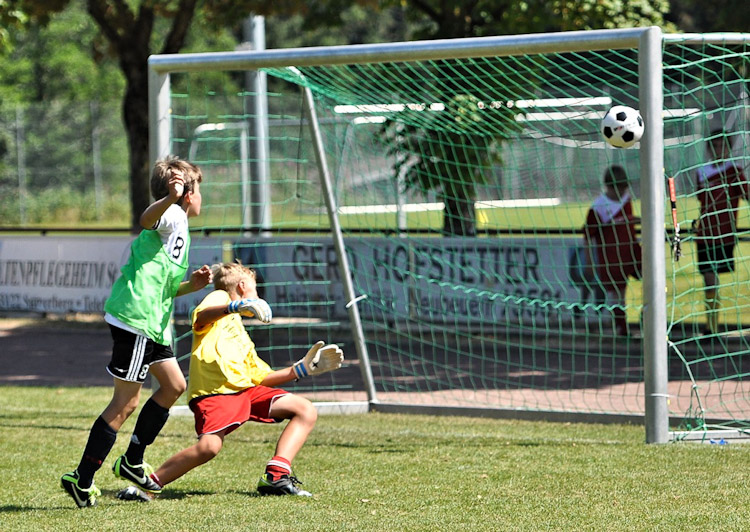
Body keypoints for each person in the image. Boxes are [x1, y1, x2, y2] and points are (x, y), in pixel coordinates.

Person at [117, 261, 343, 500]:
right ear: (243, 287)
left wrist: (303, 369)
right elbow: (201, 318)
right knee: (209, 448)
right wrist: (235, 305)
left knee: (305, 410)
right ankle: (148, 487)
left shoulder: (241, 332)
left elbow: (261, 378)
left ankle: (276, 476)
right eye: (256, 290)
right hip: (215, 394)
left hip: (245, 392)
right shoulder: (220, 297)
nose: (258, 296)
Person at [61, 156, 213, 508]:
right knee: (125, 402)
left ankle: (131, 460)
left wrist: (192, 284)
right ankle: (81, 480)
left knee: (174, 385)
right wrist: (172, 197)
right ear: (187, 194)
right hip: (137, 319)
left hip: (153, 323)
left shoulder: (179, 227)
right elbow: (145, 219)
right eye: (199, 190)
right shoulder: (172, 214)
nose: (201, 197)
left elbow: (166, 286)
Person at [693, 129, 749, 336]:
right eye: (715, 146)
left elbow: (746, 195)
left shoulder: (734, 171)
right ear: (709, 149)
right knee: (708, 279)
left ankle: (714, 326)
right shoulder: (701, 172)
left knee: (714, 278)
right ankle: (711, 326)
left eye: (723, 146)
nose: (719, 150)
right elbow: (701, 200)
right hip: (704, 235)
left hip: (724, 235)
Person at [583, 165, 642, 336]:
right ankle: (621, 329)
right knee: (617, 295)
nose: (623, 191)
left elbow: (628, 221)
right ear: (610, 186)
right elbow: (588, 236)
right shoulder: (598, 208)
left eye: (625, 187)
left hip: (632, 252)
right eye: (620, 188)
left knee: (653, 280)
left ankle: (648, 317)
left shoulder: (626, 198)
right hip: (611, 258)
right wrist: (590, 262)